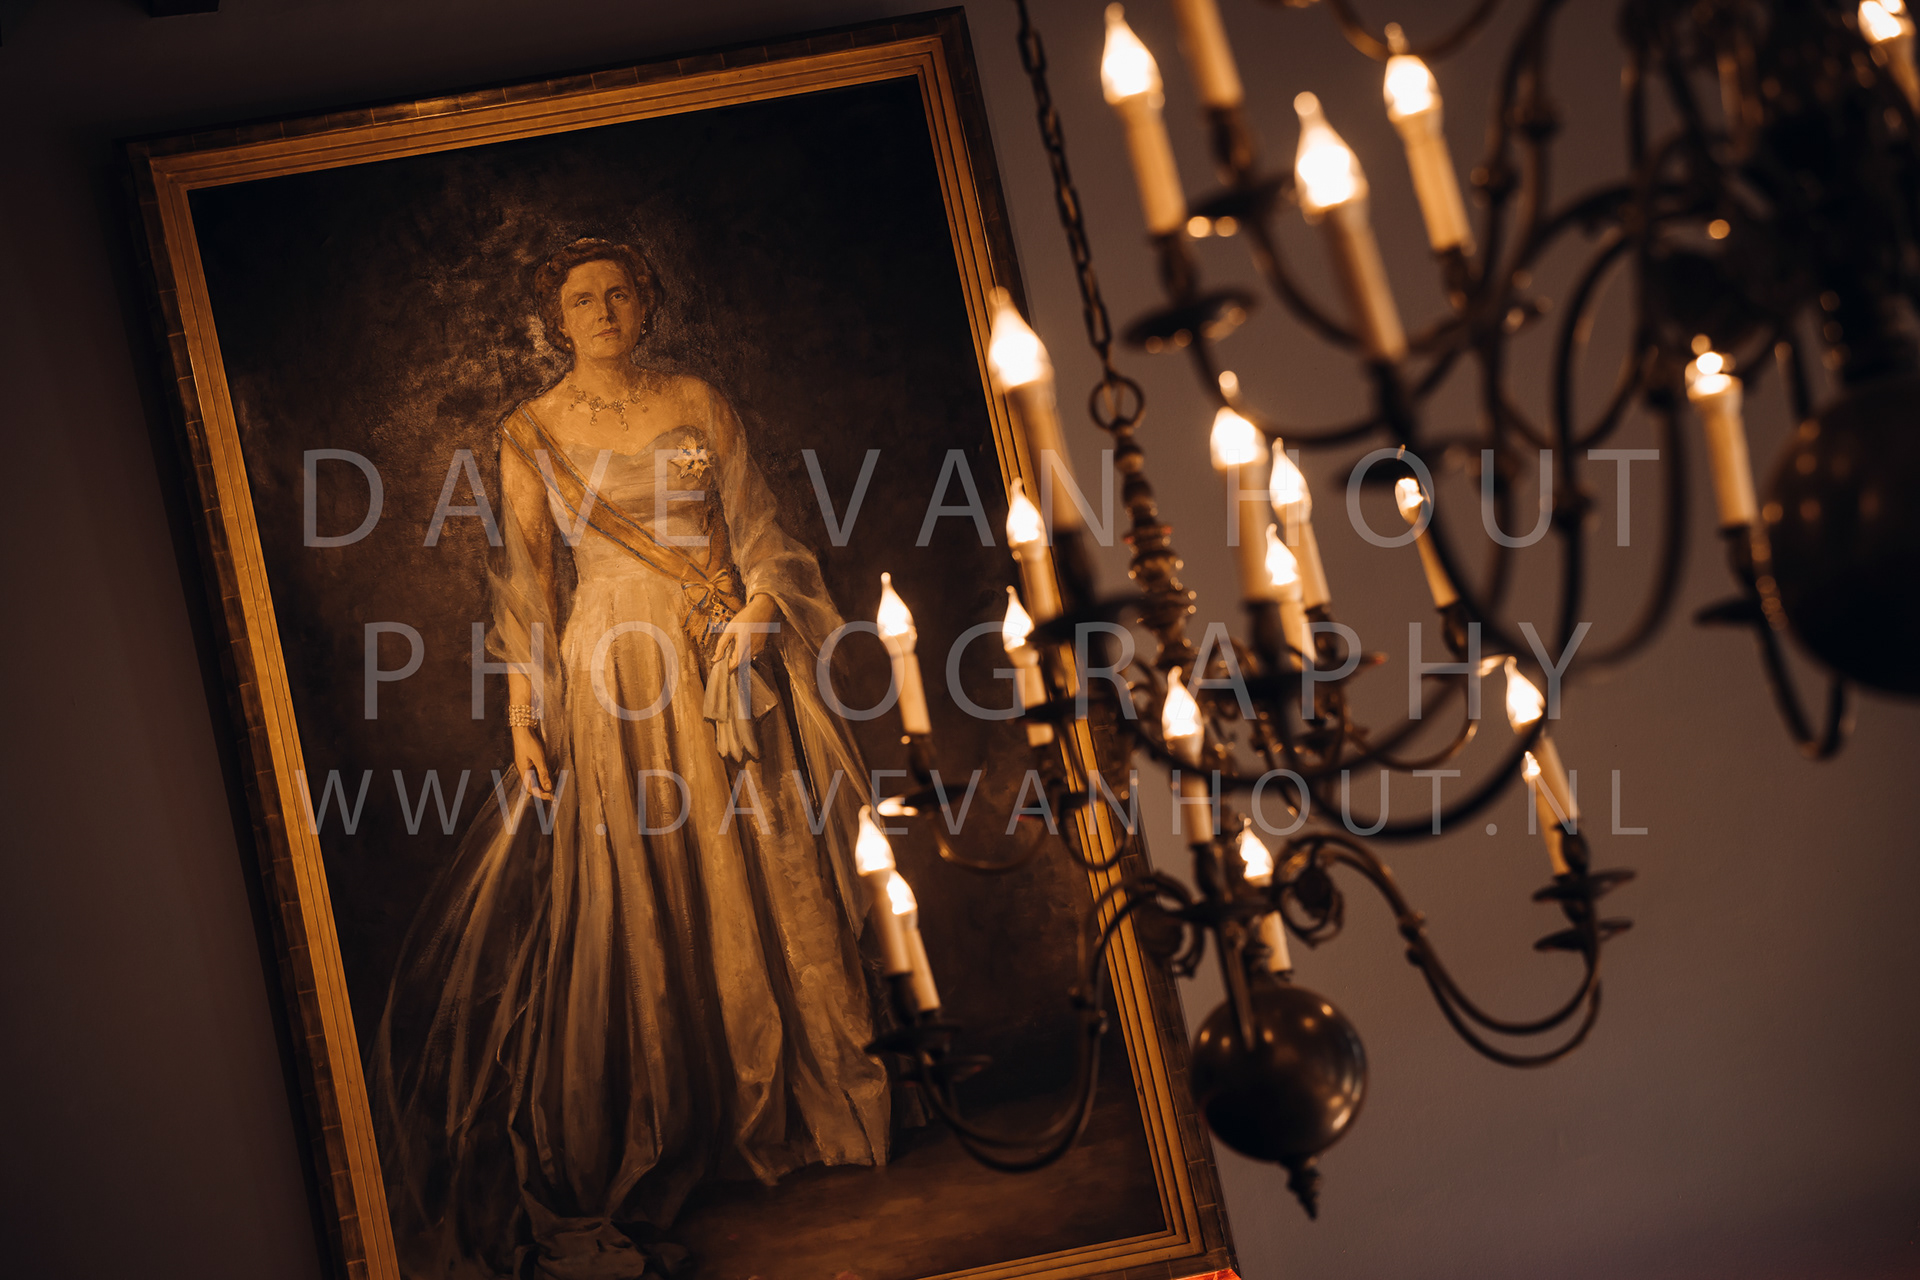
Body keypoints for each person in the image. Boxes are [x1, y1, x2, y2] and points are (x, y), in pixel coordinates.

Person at [368, 237, 891, 1280]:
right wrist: (523, 714)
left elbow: (763, 529)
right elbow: (526, 582)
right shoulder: (530, 430)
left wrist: (760, 608)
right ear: (557, 319)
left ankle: (803, 1101)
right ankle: (685, 1110)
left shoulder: (697, 398)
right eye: (581, 299)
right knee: (648, 872)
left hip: (721, 649)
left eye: (618, 293)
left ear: (646, 303)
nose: (602, 310)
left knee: (762, 854)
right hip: (611, 665)